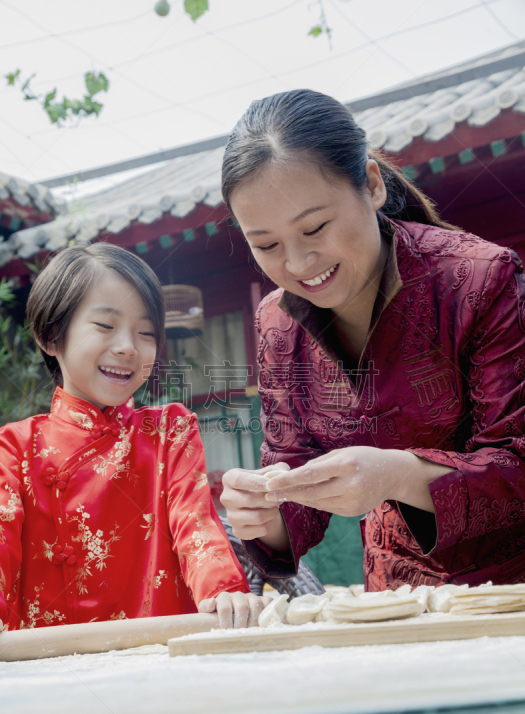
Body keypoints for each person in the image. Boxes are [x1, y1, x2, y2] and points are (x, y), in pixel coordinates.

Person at [220, 88, 525, 591]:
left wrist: (399, 474)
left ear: (372, 185)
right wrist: (263, 513)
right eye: (267, 245)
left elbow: (516, 462)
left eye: (315, 228)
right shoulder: (278, 322)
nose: (297, 265)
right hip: (392, 602)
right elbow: (290, 470)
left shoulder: (480, 279)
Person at [0, 242, 269, 636]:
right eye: (105, 326)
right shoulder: (10, 448)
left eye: (146, 332)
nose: (127, 347)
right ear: (51, 336)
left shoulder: (169, 431)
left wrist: (223, 589)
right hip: (51, 663)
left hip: (160, 654)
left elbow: (195, 524)